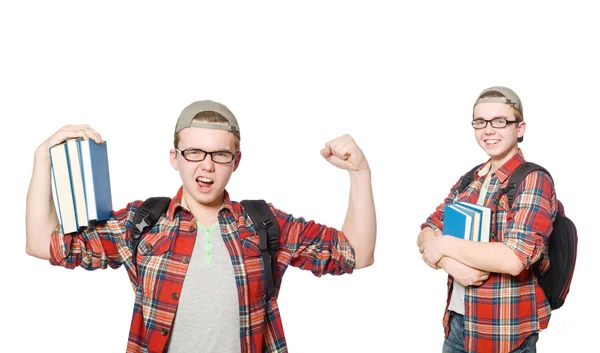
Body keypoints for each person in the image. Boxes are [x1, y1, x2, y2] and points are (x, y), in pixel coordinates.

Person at [25, 100, 377, 353]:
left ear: (235, 161)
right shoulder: (142, 223)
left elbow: (355, 253)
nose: (206, 165)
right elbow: (43, 243)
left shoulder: (263, 224)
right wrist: (42, 157)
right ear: (174, 158)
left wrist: (360, 174)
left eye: (220, 154)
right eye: (194, 152)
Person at [417, 87, 557, 353]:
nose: (488, 130)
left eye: (500, 121)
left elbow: (515, 259)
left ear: (520, 128)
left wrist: (442, 247)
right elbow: (427, 230)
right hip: (458, 323)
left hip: (504, 333)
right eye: (480, 122)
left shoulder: (533, 179)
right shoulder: (471, 179)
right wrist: (450, 264)